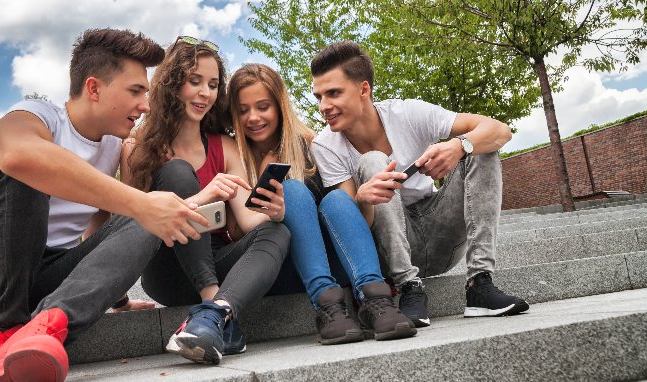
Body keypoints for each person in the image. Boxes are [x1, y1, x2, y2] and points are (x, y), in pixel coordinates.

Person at [0, 29, 210, 382]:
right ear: (94, 88)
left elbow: (101, 232)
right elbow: (15, 154)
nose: (146, 105)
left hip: (40, 282)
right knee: (22, 166)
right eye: (136, 91)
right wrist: (140, 202)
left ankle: (46, 328)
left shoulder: (111, 146)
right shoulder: (35, 116)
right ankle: (6, 336)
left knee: (147, 214)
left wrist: (115, 297)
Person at [309, 41, 529, 328]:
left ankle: (480, 285)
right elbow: (353, 232)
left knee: (479, 144)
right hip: (388, 247)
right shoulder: (325, 145)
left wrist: (459, 146)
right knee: (373, 162)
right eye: (319, 97)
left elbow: (500, 130)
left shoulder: (408, 113)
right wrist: (362, 197)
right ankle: (409, 288)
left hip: (441, 232)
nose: (324, 106)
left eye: (334, 93)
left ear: (364, 89)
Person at [124, 37, 290, 365]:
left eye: (213, 85)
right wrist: (201, 197)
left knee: (277, 232)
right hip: (168, 270)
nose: (205, 93)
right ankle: (212, 304)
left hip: (220, 261)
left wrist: (273, 212)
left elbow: (249, 220)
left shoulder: (225, 147)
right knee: (177, 173)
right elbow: (128, 230)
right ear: (172, 84)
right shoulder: (136, 148)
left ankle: (213, 316)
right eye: (194, 81)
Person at [227, 63, 417, 344]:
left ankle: (375, 300)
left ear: (279, 106)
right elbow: (236, 233)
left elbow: (353, 218)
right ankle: (326, 307)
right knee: (292, 190)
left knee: (339, 199)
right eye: (243, 110)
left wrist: (363, 198)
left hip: (335, 262)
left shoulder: (311, 145)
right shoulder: (234, 155)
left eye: (263, 106)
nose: (253, 117)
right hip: (276, 266)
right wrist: (275, 213)